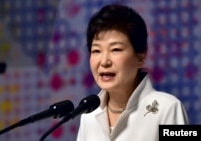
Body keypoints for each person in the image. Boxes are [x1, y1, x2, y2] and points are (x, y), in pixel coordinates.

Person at [76, 3, 189, 141]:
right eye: (96, 51)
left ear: (140, 58)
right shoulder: (88, 115)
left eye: (115, 49)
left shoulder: (169, 108)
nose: (104, 61)